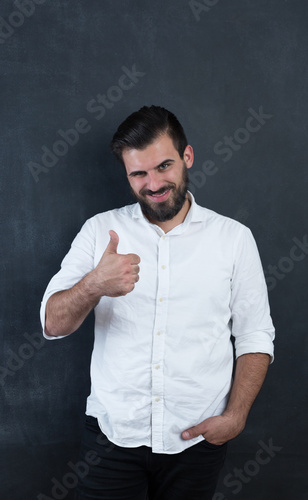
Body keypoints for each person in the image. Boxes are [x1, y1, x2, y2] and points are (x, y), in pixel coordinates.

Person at [40, 105, 275, 500]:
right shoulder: (100, 231)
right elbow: (52, 324)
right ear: (127, 174)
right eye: (139, 173)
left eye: (164, 166)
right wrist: (94, 284)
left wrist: (235, 418)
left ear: (187, 157)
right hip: (112, 439)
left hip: (197, 441)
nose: (153, 184)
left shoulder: (233, 239)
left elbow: (255, 335)